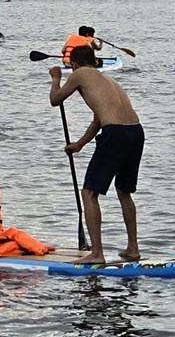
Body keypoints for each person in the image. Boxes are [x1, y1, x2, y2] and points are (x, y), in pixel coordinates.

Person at [49, 46, 143, 265]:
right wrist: (80, 144)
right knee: (124, 191)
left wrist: (55, 78)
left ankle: (97, 253)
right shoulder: (108, 81)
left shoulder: (79, 74)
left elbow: (55, 100)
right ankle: (133, 249)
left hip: (116, 133)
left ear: (73, 64)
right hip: (136, 131)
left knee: (89, 193)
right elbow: (99, 119)